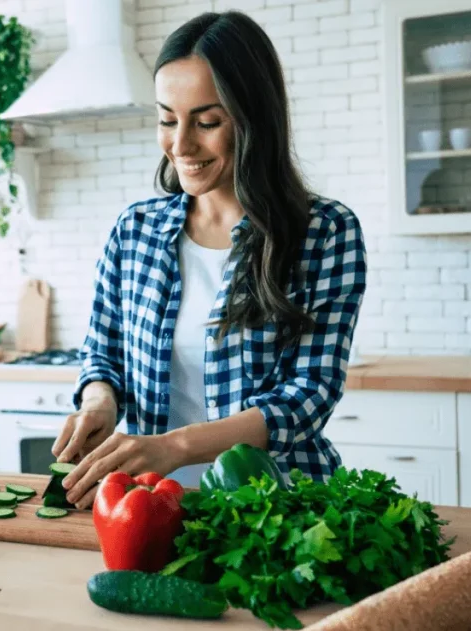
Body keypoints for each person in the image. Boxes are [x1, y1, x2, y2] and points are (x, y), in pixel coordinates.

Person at [51, 10, 367, 509]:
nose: (181, 145)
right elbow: (102, 353)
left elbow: (309, 395)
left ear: (253, 118)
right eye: (166, 119)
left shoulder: (323, 233)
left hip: (280, 509)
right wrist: (99, 402)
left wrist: (173, 447)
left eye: (207, 121)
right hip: (151, 508)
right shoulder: (135, 230)